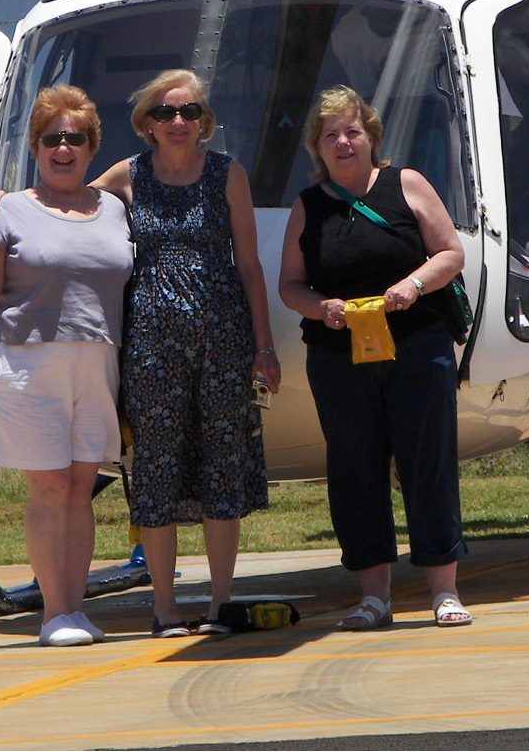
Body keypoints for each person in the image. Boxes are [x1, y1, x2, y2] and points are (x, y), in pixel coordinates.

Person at [0, 85, 134, 648]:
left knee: (81, 486)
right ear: (35, 146)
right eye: (53, 138)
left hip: (97, 358)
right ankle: (55, 614)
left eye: (76, 138)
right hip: (29, 360)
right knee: (50, 488)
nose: (64, 148)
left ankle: (76, 609)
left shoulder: (114, 209)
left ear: (92, 147)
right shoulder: (9, 211)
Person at [94, 68, 281, 638]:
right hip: (151, 344)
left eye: (191, 112)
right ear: (146, 122)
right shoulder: (127, 175)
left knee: (222, 462)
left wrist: (264, 345)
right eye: (166, 113)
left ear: (205, 121)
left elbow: (248, 266)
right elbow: (65, 207)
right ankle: (165, 608)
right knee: (155, 466)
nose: (179, 122)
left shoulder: (227, 174)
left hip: (223, 338)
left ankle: (221, 603)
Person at [277, 85, 472, 630]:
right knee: (354, 470)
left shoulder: (405, 184)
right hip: (340, 359)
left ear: (371, 137)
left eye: (352, 131)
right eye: (330, 135)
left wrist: (412, 284)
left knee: (426, 463)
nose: (343, 142)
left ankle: (444, 591)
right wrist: (323, 308)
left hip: (417, 347)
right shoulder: (307, 206)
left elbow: (451, 253)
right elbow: (290, 286)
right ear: (317, 146)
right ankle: (374, 597)